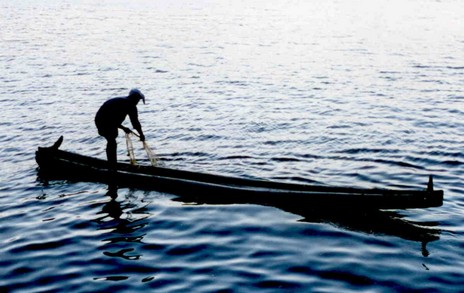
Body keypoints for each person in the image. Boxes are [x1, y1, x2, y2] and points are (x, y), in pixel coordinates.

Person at [95, 89, 146, 169]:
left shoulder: (125, 102)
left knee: (112, 138)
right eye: (138, 100)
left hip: (103, 119)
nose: (138, 102)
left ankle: (112, 164)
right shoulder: (130, 105)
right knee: (112, 140)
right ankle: (112, 165)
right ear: (134, 98)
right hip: (103, 120)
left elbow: (113, 119)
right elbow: (135, 123)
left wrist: (123, 128)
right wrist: (141, 135)